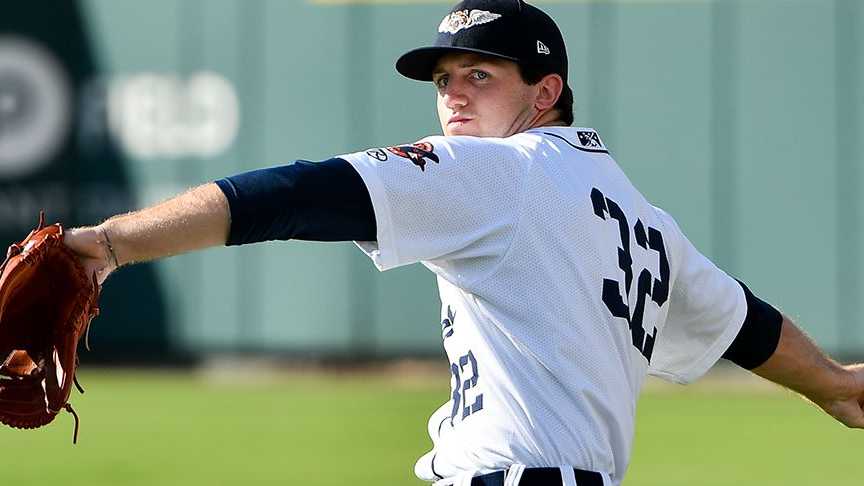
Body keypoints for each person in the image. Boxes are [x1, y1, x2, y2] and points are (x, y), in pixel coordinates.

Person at [63, 1, 864, 485]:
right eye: (445, 77)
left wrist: (109, 243)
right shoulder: (641, 218)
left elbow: (298, 194)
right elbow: (745, 325)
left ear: (544, 92)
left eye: (481, 74)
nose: (451, 93)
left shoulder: (500, 172)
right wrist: (829, 381)